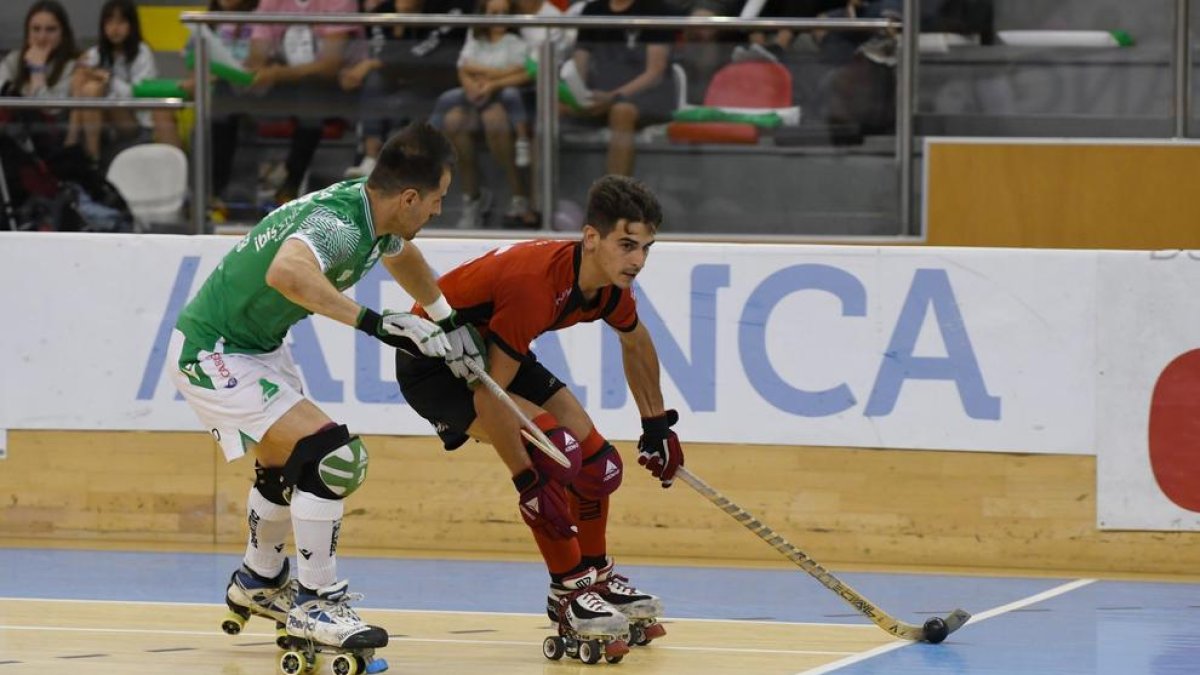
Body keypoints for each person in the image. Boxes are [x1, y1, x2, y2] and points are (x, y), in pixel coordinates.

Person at [167, 122, 485, 654]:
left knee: (285, 466)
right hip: (213, 351)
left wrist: (446, 318)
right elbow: (286, 273)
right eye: (438, 199)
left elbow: (400, 252)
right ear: (409, 197)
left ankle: (259, 580)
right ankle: (316, 603)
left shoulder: (375, 214)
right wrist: (377, 324)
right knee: (334, 457)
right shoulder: (338, 224)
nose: (438, 210)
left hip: (258, 346)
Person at [393, 175, 684, 650]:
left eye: (646, 248)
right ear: (592, 238)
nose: (638, 260)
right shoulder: (535, 285)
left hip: (489, 349)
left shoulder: (610, 286)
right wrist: (526, 479)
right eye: (627, 245)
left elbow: (636, 341)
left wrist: (656, 426)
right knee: (553, 456)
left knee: (598, 465)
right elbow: (490, 395)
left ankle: (595, 576)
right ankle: (568, 591)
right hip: (433, 366)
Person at [431, 0, 537, 229]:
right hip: (473, 97)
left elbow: (523, 72)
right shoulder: (475, 39)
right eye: (494, 13)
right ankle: (471, 198)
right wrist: (472, 85)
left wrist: (490, 81)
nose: (499, 18)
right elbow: (463, 68)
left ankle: (519, 196)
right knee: (452, 118)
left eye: (505, 13)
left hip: (503, 100)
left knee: (494, 118)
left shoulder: (515, 42)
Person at [244, 0, 361, 203]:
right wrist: (258, 69)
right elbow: (257, 55)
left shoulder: (339, 2)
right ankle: (213, 194)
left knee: (311, 95)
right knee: (222, 92)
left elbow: (330, 64)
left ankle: (291, 183)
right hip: (282, 77)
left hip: (338, 81)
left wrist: (278, 74)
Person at [568, 0, 679, 177]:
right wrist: (579, 93)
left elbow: (655, 73)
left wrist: (614, 96)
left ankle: (615, 191)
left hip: (648, 95)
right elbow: (580, 59)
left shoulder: (657, 9)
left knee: (621, 111)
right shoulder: (593, 9)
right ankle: (539, 190)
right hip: (599, 93)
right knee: (550, 106)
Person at [67, 0, 181, 165]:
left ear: (131, 25)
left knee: (93, 85)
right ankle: (88, 152)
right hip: (102, 121)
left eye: (121, 22)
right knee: (86, 82)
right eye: (109, 22)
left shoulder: (142, 52)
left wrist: (107, 79)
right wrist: (86, 72)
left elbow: (135, 94)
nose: (114, 28)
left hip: (135, 121)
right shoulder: (96, 53)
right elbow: (76, 84)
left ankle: (78, 147)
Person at [0, 0, 79, 100]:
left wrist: (37, 70)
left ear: (63, 34)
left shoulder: (73, 67)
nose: (42, 37)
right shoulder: (14, 59)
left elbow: (49, 107)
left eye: (50, 29)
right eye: (36, 29)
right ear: (27, 32)